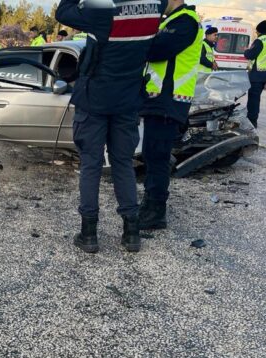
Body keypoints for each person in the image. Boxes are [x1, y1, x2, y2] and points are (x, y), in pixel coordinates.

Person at [56, 0, 168, 253]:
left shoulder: (102, 9)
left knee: (91, 164)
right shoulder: (154, 7)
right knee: (123, 164)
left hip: (94, 99)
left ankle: (89, 234)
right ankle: (131, 233)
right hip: (127, 100)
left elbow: (63, 12)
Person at [139, 0, 203, 231]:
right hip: (160, 100)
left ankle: (155, 211)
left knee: (157, 156)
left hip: (170, 100)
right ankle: (150, 204)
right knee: (152, 154)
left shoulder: (185, 21)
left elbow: (156, 51)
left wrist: (142, 40)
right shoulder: (172, 21)